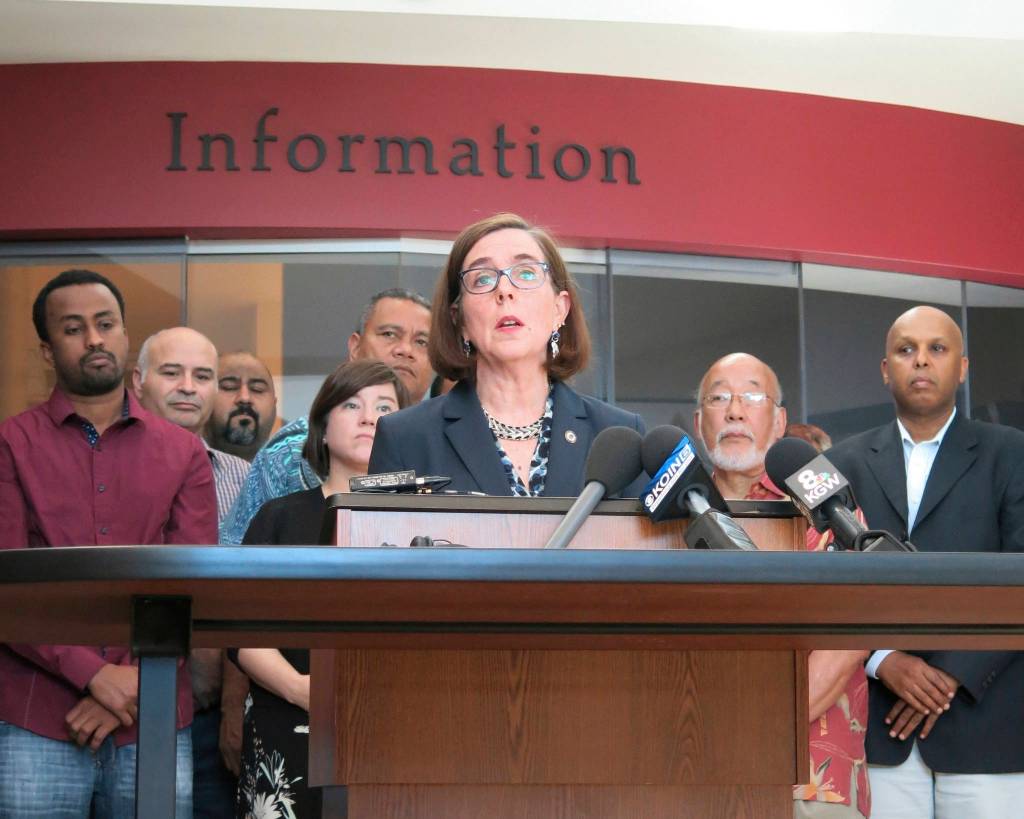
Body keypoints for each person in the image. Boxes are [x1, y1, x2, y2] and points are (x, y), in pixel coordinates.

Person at [0, 269, 217, 818]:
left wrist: (130, 684)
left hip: (155, 713)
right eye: (73, 329)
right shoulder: (10, 444)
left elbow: (193, 582)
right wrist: (95, 675)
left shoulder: (184, 452)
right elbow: (7, 587)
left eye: (105, 324)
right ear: (48, 350)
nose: (94, 339)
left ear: (124, 333)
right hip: (37, 713)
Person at [827, 305, 1024, 819]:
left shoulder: (1012, 454)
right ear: (885, 369)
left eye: (937, 349)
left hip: (988, 728)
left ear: (962, 367)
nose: (920, 361)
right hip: (878, 730)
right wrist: (882, 659)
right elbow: (827, 585)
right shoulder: (842, 463)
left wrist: (951, 674)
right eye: (906, 349)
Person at [694, 352, 870, 819]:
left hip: (813, 783)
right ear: (698, 423)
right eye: (719, 398)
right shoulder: (672, 510)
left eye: (753, 398)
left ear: (779, 421)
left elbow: (849, 637)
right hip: (692, 775)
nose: (735, 411)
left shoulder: (826, 502)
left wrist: (754, 730)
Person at [233, 360, 410, 819]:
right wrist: (299, 690)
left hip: (399, 727)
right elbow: (241, 632)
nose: (369, 418)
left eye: (384, 407)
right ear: (322, 429)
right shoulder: (279, 516)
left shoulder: (423, 524)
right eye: (351, 405)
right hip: (286, 717)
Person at [369, 212, 644, 495]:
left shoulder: (620, 435)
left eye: (526, 273)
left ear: (559, 309)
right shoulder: (405, 437)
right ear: (459, 320)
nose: (504, 290)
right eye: (482, 279)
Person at [131, 326, 251, 818]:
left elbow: (250, 597)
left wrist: (232, 706)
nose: (188, 387)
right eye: (171, 372)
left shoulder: (244, 476)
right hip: (114, 692)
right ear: (137, 381)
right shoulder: (107, 471)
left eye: (203, 376)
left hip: (208, 710)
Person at [220, 288, 433, 544]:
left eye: (422, 342)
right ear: (355, 346)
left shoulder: (438, 450)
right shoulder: (287, 453)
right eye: (389, 334)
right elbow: (236, 554)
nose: (405, 349)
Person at [206, 351, 278, 462]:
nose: (244, 398)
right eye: (229, 387)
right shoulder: (181, 466)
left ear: (274, 405)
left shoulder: (298, 468)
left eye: (257, 389)